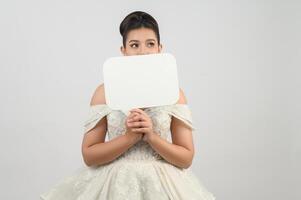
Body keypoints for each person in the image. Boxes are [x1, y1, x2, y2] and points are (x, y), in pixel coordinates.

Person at [40, 11, 216, 200]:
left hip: (163, 185)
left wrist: (151, 137)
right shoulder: (103, 92)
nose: (143, 51)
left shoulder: (175, 94)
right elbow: (89, 155)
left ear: (159, 48)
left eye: (150, 44)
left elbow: (186, 158)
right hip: (113, 184)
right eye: (134, 45)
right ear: (123, 50)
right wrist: (129, 138)